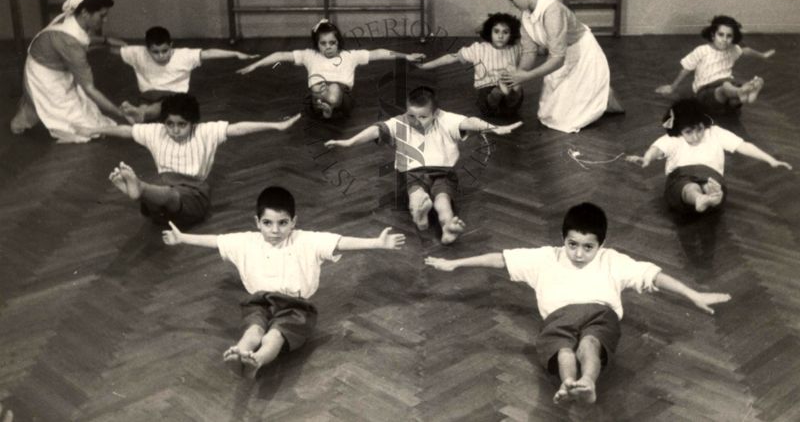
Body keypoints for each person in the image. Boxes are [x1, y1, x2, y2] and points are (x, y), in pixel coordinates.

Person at [425, 202, 731, 405]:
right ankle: (569, 383)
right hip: (559, 317)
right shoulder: (545, 258)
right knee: (562, 350)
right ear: (563, 239)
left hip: (600, 313)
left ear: (601, 245)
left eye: (588, 247)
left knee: (590, 345)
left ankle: (587, 382)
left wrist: (694, 294)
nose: (579, 253)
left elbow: (654, 275)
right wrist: (456, 265)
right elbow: (500, 259)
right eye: (572, 244)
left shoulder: (613, 261)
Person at [161, 185, 405, 377]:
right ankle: (241, 352)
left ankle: (257, 361)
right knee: (254, 329)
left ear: (294, 222)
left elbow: (340, 242)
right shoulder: (246, 241)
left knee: (275, 336)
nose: (275, 230)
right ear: (257, 223)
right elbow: (216, 240)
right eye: (267, 223)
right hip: (259, 302)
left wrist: (376, 242)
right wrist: (182, 238)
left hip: (295, 307)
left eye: (282, 223)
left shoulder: (306, 240)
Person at [324, 86, 522, 244]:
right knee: (416, 194)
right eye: (412, 116)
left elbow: (470, 122)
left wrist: (494, 128)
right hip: (413, 173)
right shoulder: (400, 123)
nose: (416, 122)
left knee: (443, 202)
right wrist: (349, 142)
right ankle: (420, 215)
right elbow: (376, 130)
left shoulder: (447, 119)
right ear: (407, 111)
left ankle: (447, 227)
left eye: (423, 117)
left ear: (435, 114)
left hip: (443, 173)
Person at [80, 93, 301, 229]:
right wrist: (93, 129)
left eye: (181, 125)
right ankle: (141, 191)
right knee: (164, 189)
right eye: (170, 124)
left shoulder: (206, 132)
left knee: (168, 193)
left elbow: (239, 128)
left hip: (194, 197)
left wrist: (275, 125)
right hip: (162, 199)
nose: (175, 131)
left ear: (193, 123)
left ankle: (139, 189)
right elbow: (126, 130)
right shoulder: (155, 132)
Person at [496, 0, 623, 133]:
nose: (511, 4)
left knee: (567, 120)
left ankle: (602, 92)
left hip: (582, 53)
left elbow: (557, 59)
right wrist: (517, 76)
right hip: (560, 55)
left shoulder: (552, 11)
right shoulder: (526, 15)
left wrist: (526, 76)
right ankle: (600, 92)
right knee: (549, 115)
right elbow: (529, 51)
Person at [10, 0, 131, 142]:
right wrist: (120, 113)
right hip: (42, 74)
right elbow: (90, 88)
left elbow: (81, 38)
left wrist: (106, 40)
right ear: (86, 13)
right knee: (84, 130)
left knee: (92, 119)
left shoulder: (73, 19)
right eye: (102, 15)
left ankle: (28, 113)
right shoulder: (69, 42)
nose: (105, 20)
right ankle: (24, 117)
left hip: (55, 66)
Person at [626, 98, 791, 214]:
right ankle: (700, 198)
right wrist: (647, 158)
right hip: (680, 177)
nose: (696, 136)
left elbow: (743, 146)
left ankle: (710, 195)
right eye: (689, 132)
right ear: (679, 131)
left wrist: (771, 159)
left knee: (710, 183)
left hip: (711, 176)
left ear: (704, 123)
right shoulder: (673, 139)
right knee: (687, 186)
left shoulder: (715, 133)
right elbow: (657, 149)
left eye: (699, 129)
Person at [236, 19, 425, 120]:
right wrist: (254, 65)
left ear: (338, 43)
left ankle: (329, 108)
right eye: (323, 43)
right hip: (317, 95)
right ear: (317, 45)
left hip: (343, 98)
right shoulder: (309, 55)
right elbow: (279, 56)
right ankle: (324, 108)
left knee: (333, 88)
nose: (328, 47)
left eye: (332, 43)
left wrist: (406, 56)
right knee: (318, 87)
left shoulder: (350, 55)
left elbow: (379, 53)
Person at [114, 26, 259, 122]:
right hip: (147, 94)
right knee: (147, 105)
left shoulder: (183, 56)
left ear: (171, 46)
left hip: (173, 96)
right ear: (147, 49)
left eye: (165, 51)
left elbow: (208, 53)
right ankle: (139, 112)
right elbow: (113, 49)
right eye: (155, 52)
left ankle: (139, 114)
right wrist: (97, 41)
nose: (161, 56)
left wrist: (235, 53)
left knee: (161, 106)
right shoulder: (138, 53)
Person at [655, 15, 775, 114]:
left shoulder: (733, 49)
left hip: (728, 98)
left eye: (729, 36)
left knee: (733, 89)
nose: (724, 39)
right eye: (721, 35)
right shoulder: (702, 50)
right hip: (706, 93)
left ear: (733, 38)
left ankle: (748, 89)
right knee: (726, 86)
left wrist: (763, 55)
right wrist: (672, 87)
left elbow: (746, 50)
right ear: (713, 35)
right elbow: (685, 69)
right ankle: (743, 91)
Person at [417, 12, 524, 118]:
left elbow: (535, 50)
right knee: (493, 94)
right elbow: (451, 57)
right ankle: (499, 91)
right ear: (489, 32)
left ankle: (511, 92)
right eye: (496, 31)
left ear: (511, 34)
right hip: (487, 92)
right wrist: (426, 65)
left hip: (510, 99)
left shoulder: (515, 48)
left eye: (505, 32)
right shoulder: (479, 48)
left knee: (515, 88)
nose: (500, 36)